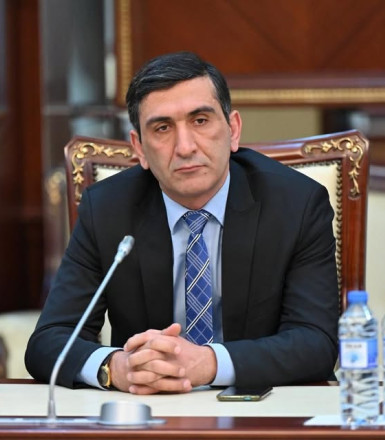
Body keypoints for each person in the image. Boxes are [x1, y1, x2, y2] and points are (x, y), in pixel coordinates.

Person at [25, 51, 339, 394]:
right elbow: (49, 341)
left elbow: (316, 342)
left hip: (259, 407)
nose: (185, 147)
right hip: (149, 407)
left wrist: (208, 363)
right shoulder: (107, 209)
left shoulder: (297, 204)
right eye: (162, 128)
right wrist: (116, 368)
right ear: (139, 148)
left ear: (233, 130)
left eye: (200, 121)